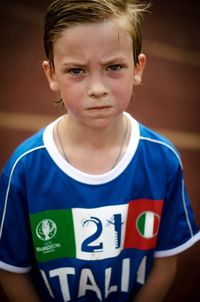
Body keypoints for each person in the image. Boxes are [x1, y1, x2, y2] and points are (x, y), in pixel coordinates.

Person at [0, 0, 199, 301]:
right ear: (52, 74)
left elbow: (164, 264)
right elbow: (11, 274)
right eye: (76, 70)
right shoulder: (24, 169)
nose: (97, 88)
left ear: (138, 68)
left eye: (114, 67)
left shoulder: (162, 160)